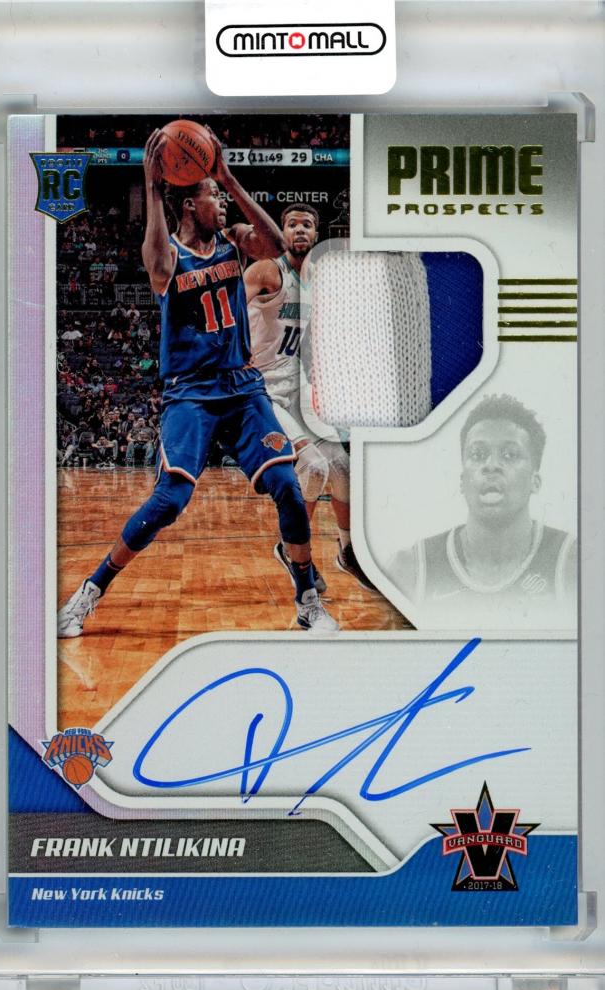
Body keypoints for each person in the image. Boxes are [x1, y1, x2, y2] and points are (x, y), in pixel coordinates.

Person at [58, 128, 338, 638]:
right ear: (190, 205)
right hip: (191, 394)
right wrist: (152, 185)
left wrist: (225, 176)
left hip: (243, 388)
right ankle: (89, 592)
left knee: (288, 486)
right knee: (170, 500)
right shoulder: (170, 256)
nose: (222, 203)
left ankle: (308, 601)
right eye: (213, 196)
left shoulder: (235, 242)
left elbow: (275, 245)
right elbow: (156, 262)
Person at [245, 204, 376, 593]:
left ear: (317, 235)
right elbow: (227, 310)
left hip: (299, 388)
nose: (299, 230)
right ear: (282, 232)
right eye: (292, 224)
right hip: (262, 389)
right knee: (314, 468)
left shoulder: (317, 282)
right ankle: (290, 550)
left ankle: (348, 552)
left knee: (342, 468)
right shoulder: (266, 271)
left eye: (307, 225)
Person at [388, 394, 576, 626]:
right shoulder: (411, 568)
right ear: (462, 481)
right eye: (478, 455)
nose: (491, 466)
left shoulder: (573, 563)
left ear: (535, 481)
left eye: (509, 455)